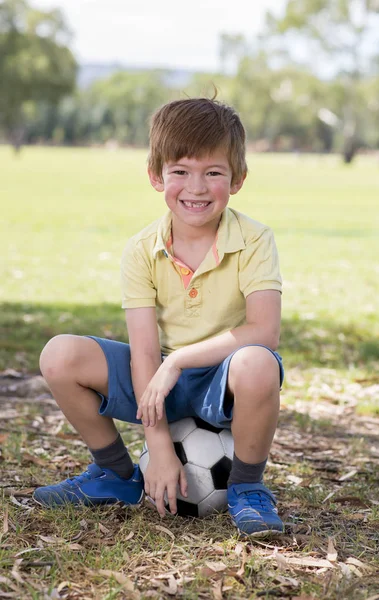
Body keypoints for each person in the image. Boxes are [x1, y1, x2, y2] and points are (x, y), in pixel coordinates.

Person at [34, 97, 285, 537]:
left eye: (214, 173)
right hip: (155, 376)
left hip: (219, 378)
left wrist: (179, 360)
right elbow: (145, 350)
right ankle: (115, 474)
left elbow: (264, 330)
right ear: (156, 176)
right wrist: (159, 447)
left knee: (259, 361)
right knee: (60, 355)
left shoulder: (255, 239)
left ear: (238, 179)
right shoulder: (142, 248)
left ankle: (247, 486)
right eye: (181, 172)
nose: (197, 187)